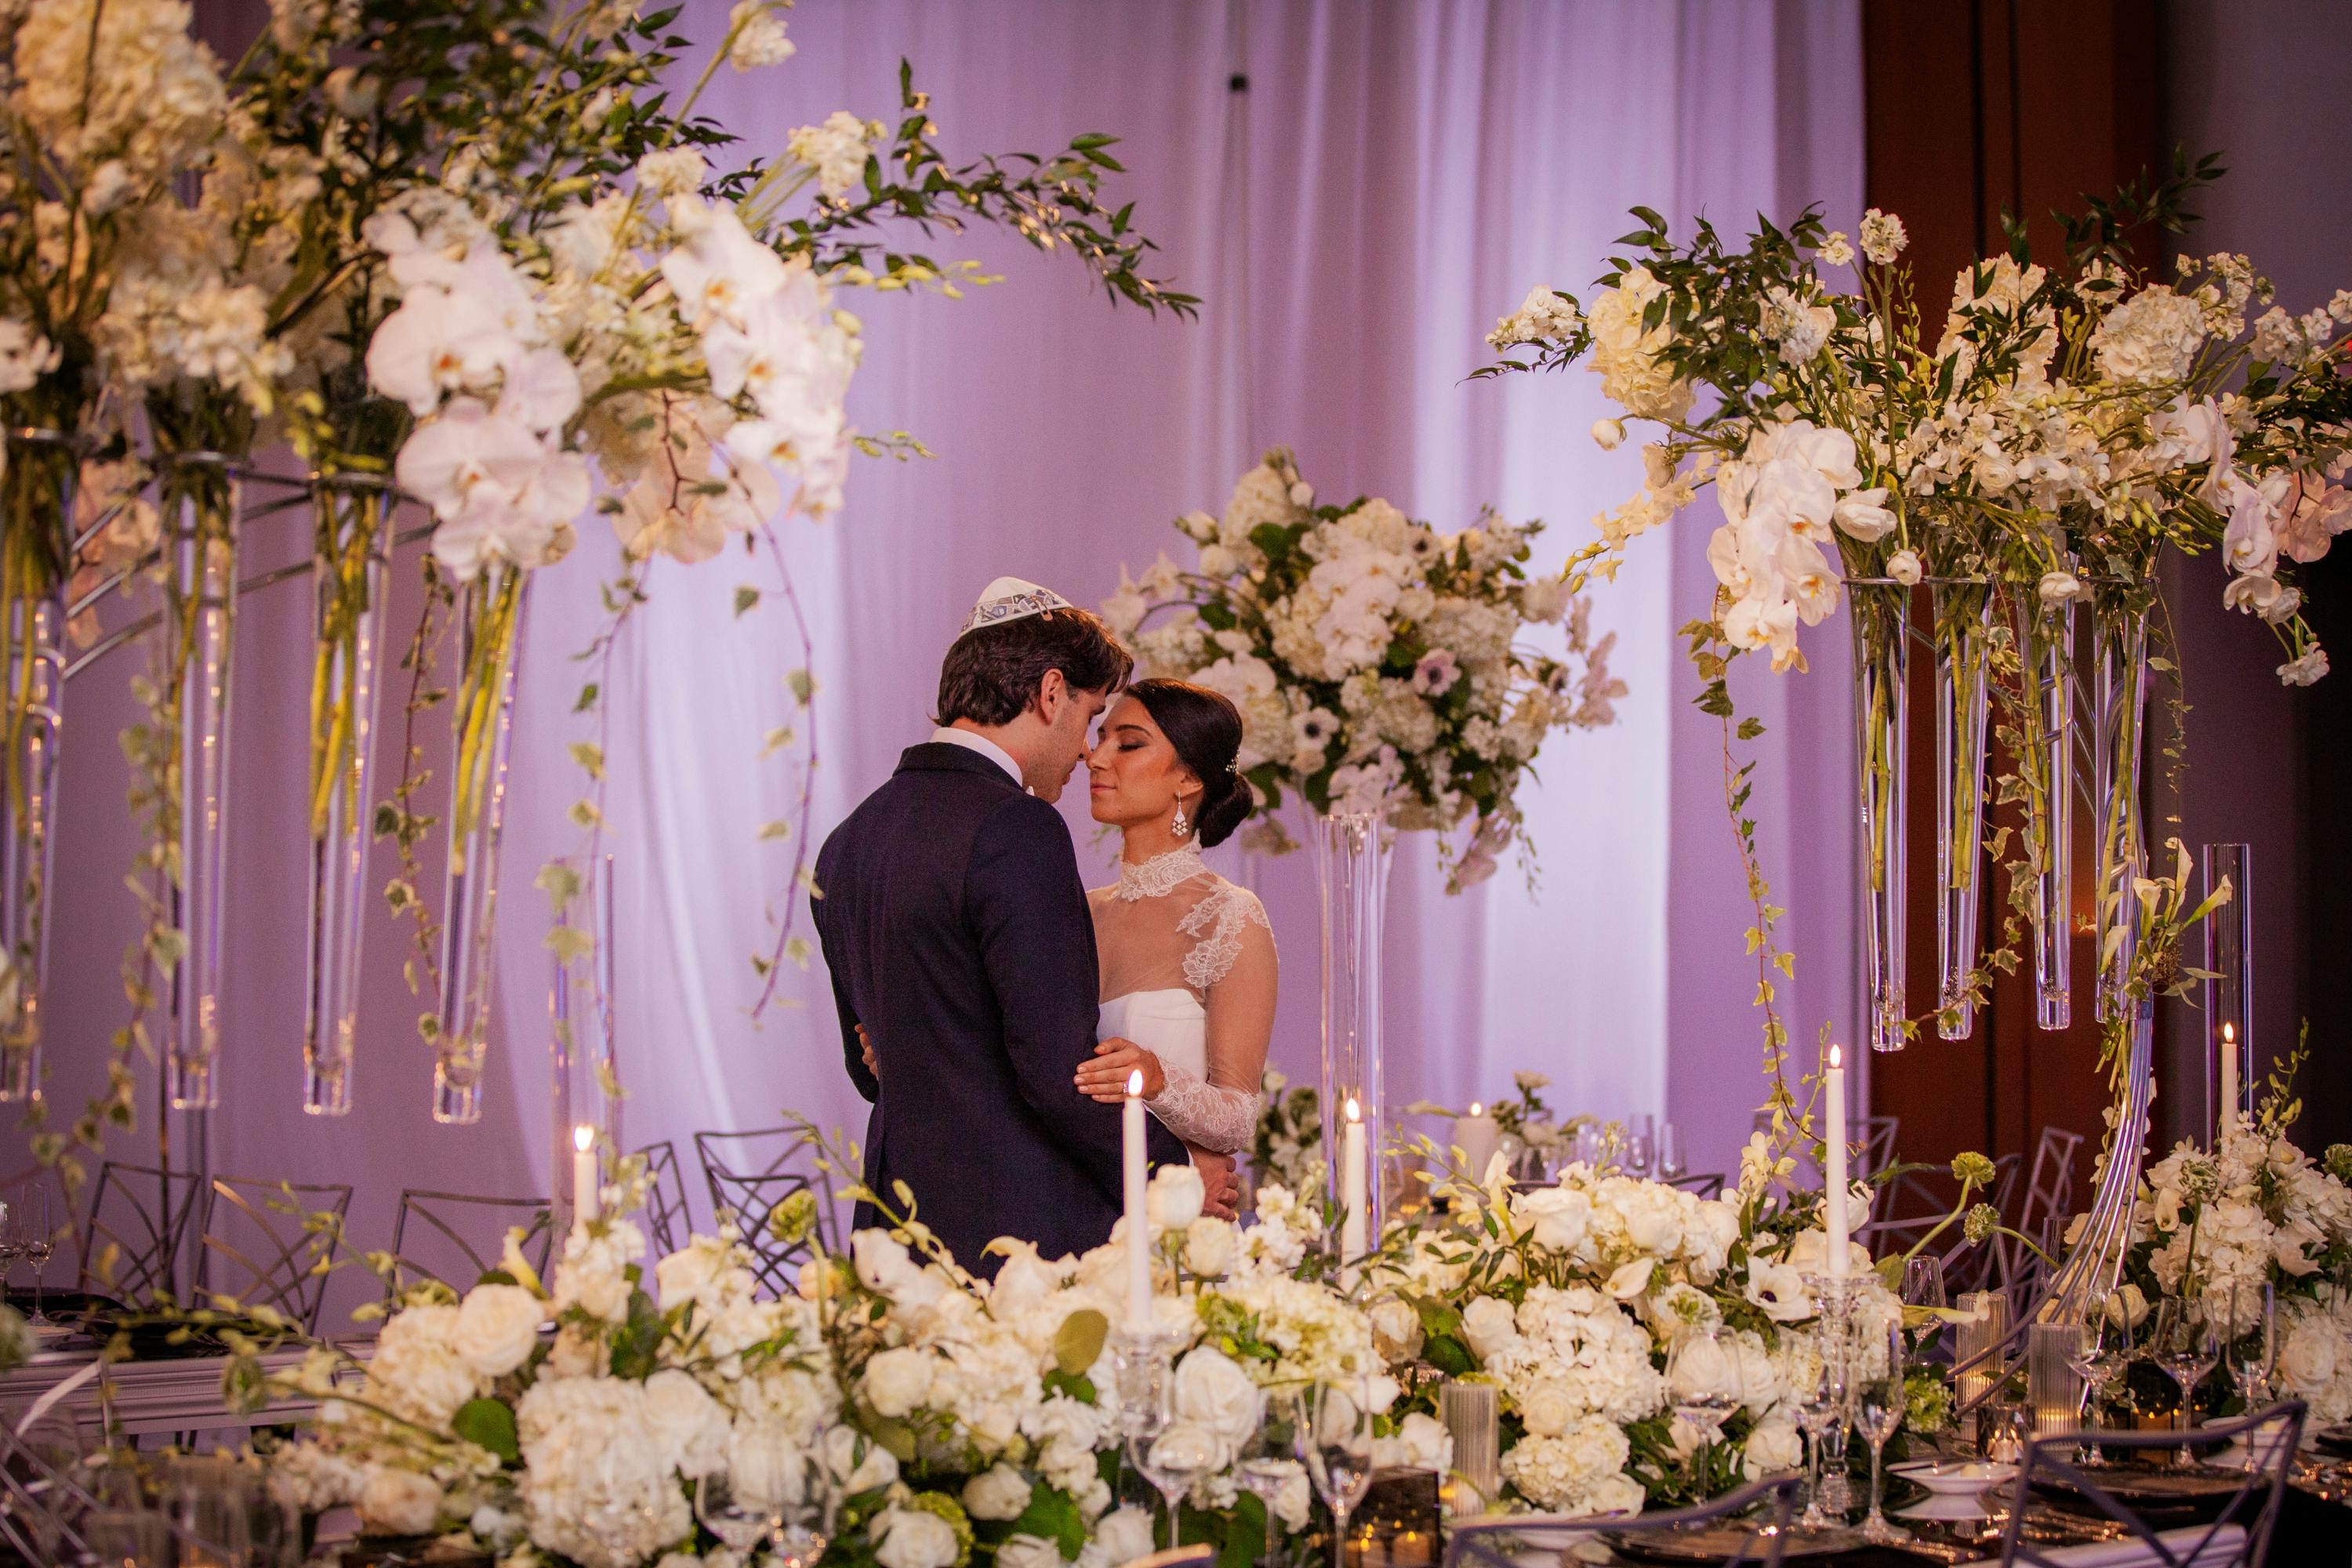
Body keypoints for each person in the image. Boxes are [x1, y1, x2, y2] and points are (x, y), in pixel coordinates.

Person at [812, 578, 1195, 1274]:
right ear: (1051, 693)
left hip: (894, 1236)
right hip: (1014, 1240)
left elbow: (869, 1064)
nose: (1086, 750)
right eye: (1088, 714)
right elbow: (1056, 1071)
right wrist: (1173, 1173)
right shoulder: (1015, 828)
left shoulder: (847, 843)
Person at [1072, 680, 1273, 1204]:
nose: (1096, 758)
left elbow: (1235, 1118)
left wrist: (1158, 1081)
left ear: (1187, 778)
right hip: (1073, 1208)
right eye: (1101, 737)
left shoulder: (1230, 917)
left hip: (1177, 1230)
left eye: (1129, 743)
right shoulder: (1076, 912)